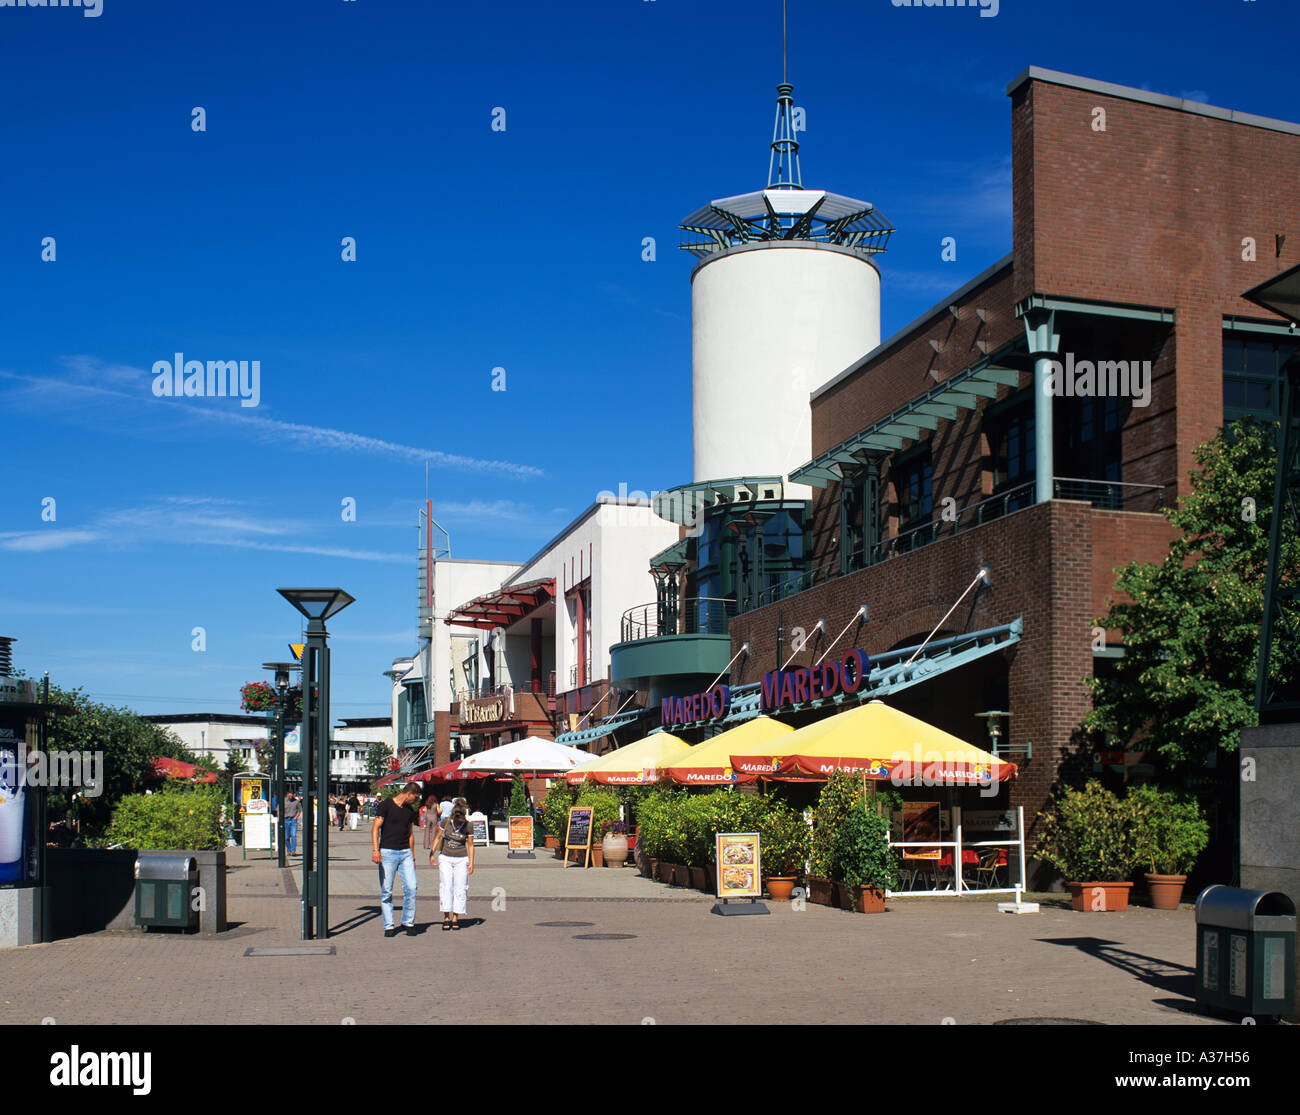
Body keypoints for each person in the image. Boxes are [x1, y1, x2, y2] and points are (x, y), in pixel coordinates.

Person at [372, 784, 422, 937]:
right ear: (409, 793)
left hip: (405, 852)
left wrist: (412, 855)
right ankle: (389, 925)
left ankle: (408, 922)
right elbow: (375, 828)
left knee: (412, 887)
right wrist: (375, 850)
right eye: (416, 797)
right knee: (387, 890)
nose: (416, 800)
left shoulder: (409, 811)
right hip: (387, 852)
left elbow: (411, 834)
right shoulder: (385, 805)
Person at [430, 800, 474, 930]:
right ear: (454, 816)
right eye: (457, 819)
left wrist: (472, 862)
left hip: (461, 858)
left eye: (461, 820)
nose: (459, 822)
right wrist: (432, 853)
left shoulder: (468, 826)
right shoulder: (446, 822)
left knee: (460, 887)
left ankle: (456, 916)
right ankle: (446, 917)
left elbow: (470, 845)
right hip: (446, 857)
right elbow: (438, 837)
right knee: (446, 885)